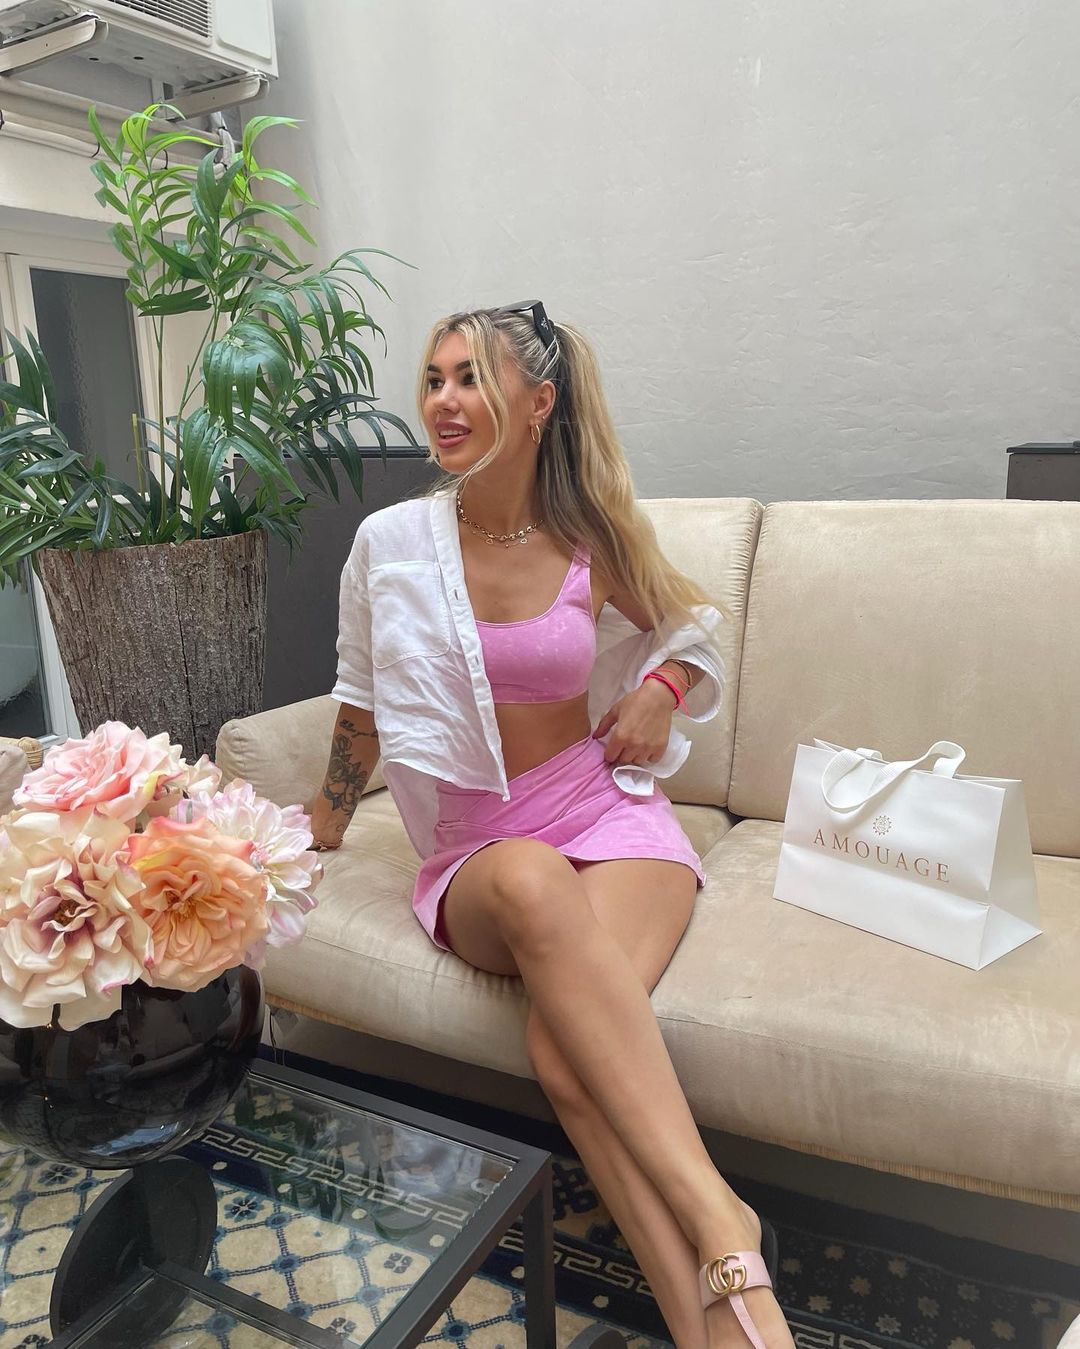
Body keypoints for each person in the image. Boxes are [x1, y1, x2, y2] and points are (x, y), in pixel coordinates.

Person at [309, 302, 794, 1349]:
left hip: (605, 811)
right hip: (481, 849)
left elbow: (693, 632)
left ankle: (715, 1326)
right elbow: (360, 702)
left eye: (470, 378)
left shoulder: (590, 538)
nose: (443, 401)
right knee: (530, 877)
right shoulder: (389, 545)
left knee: (564, 1054)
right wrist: (324, 822)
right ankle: (721, 1210)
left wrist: (662, 685)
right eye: (434, 378)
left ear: (537, 405)